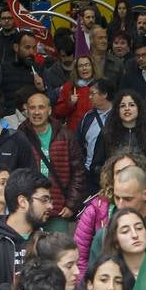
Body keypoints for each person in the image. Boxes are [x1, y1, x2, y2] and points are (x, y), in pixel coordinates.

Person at [22, 91, 86, 232]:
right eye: (32, 108)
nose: (37, 112)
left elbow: (78, 172)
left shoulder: (65, 135)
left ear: (49, 110)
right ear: (26, 110)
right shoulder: (20, 137)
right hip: (29, 208)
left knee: (58, 251)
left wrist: (71, 204)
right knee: (30, 252)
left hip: (58, 208)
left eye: (41, 107)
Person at [53, 56, 96, 131]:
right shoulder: (69, 87)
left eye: (87, 65)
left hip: (95, 130)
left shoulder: (100, 85)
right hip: (74, 132)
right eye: (80, 66)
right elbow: (58, 113)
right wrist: (70, 104)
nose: (84, 68)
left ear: (92, 67)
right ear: (76, 69)